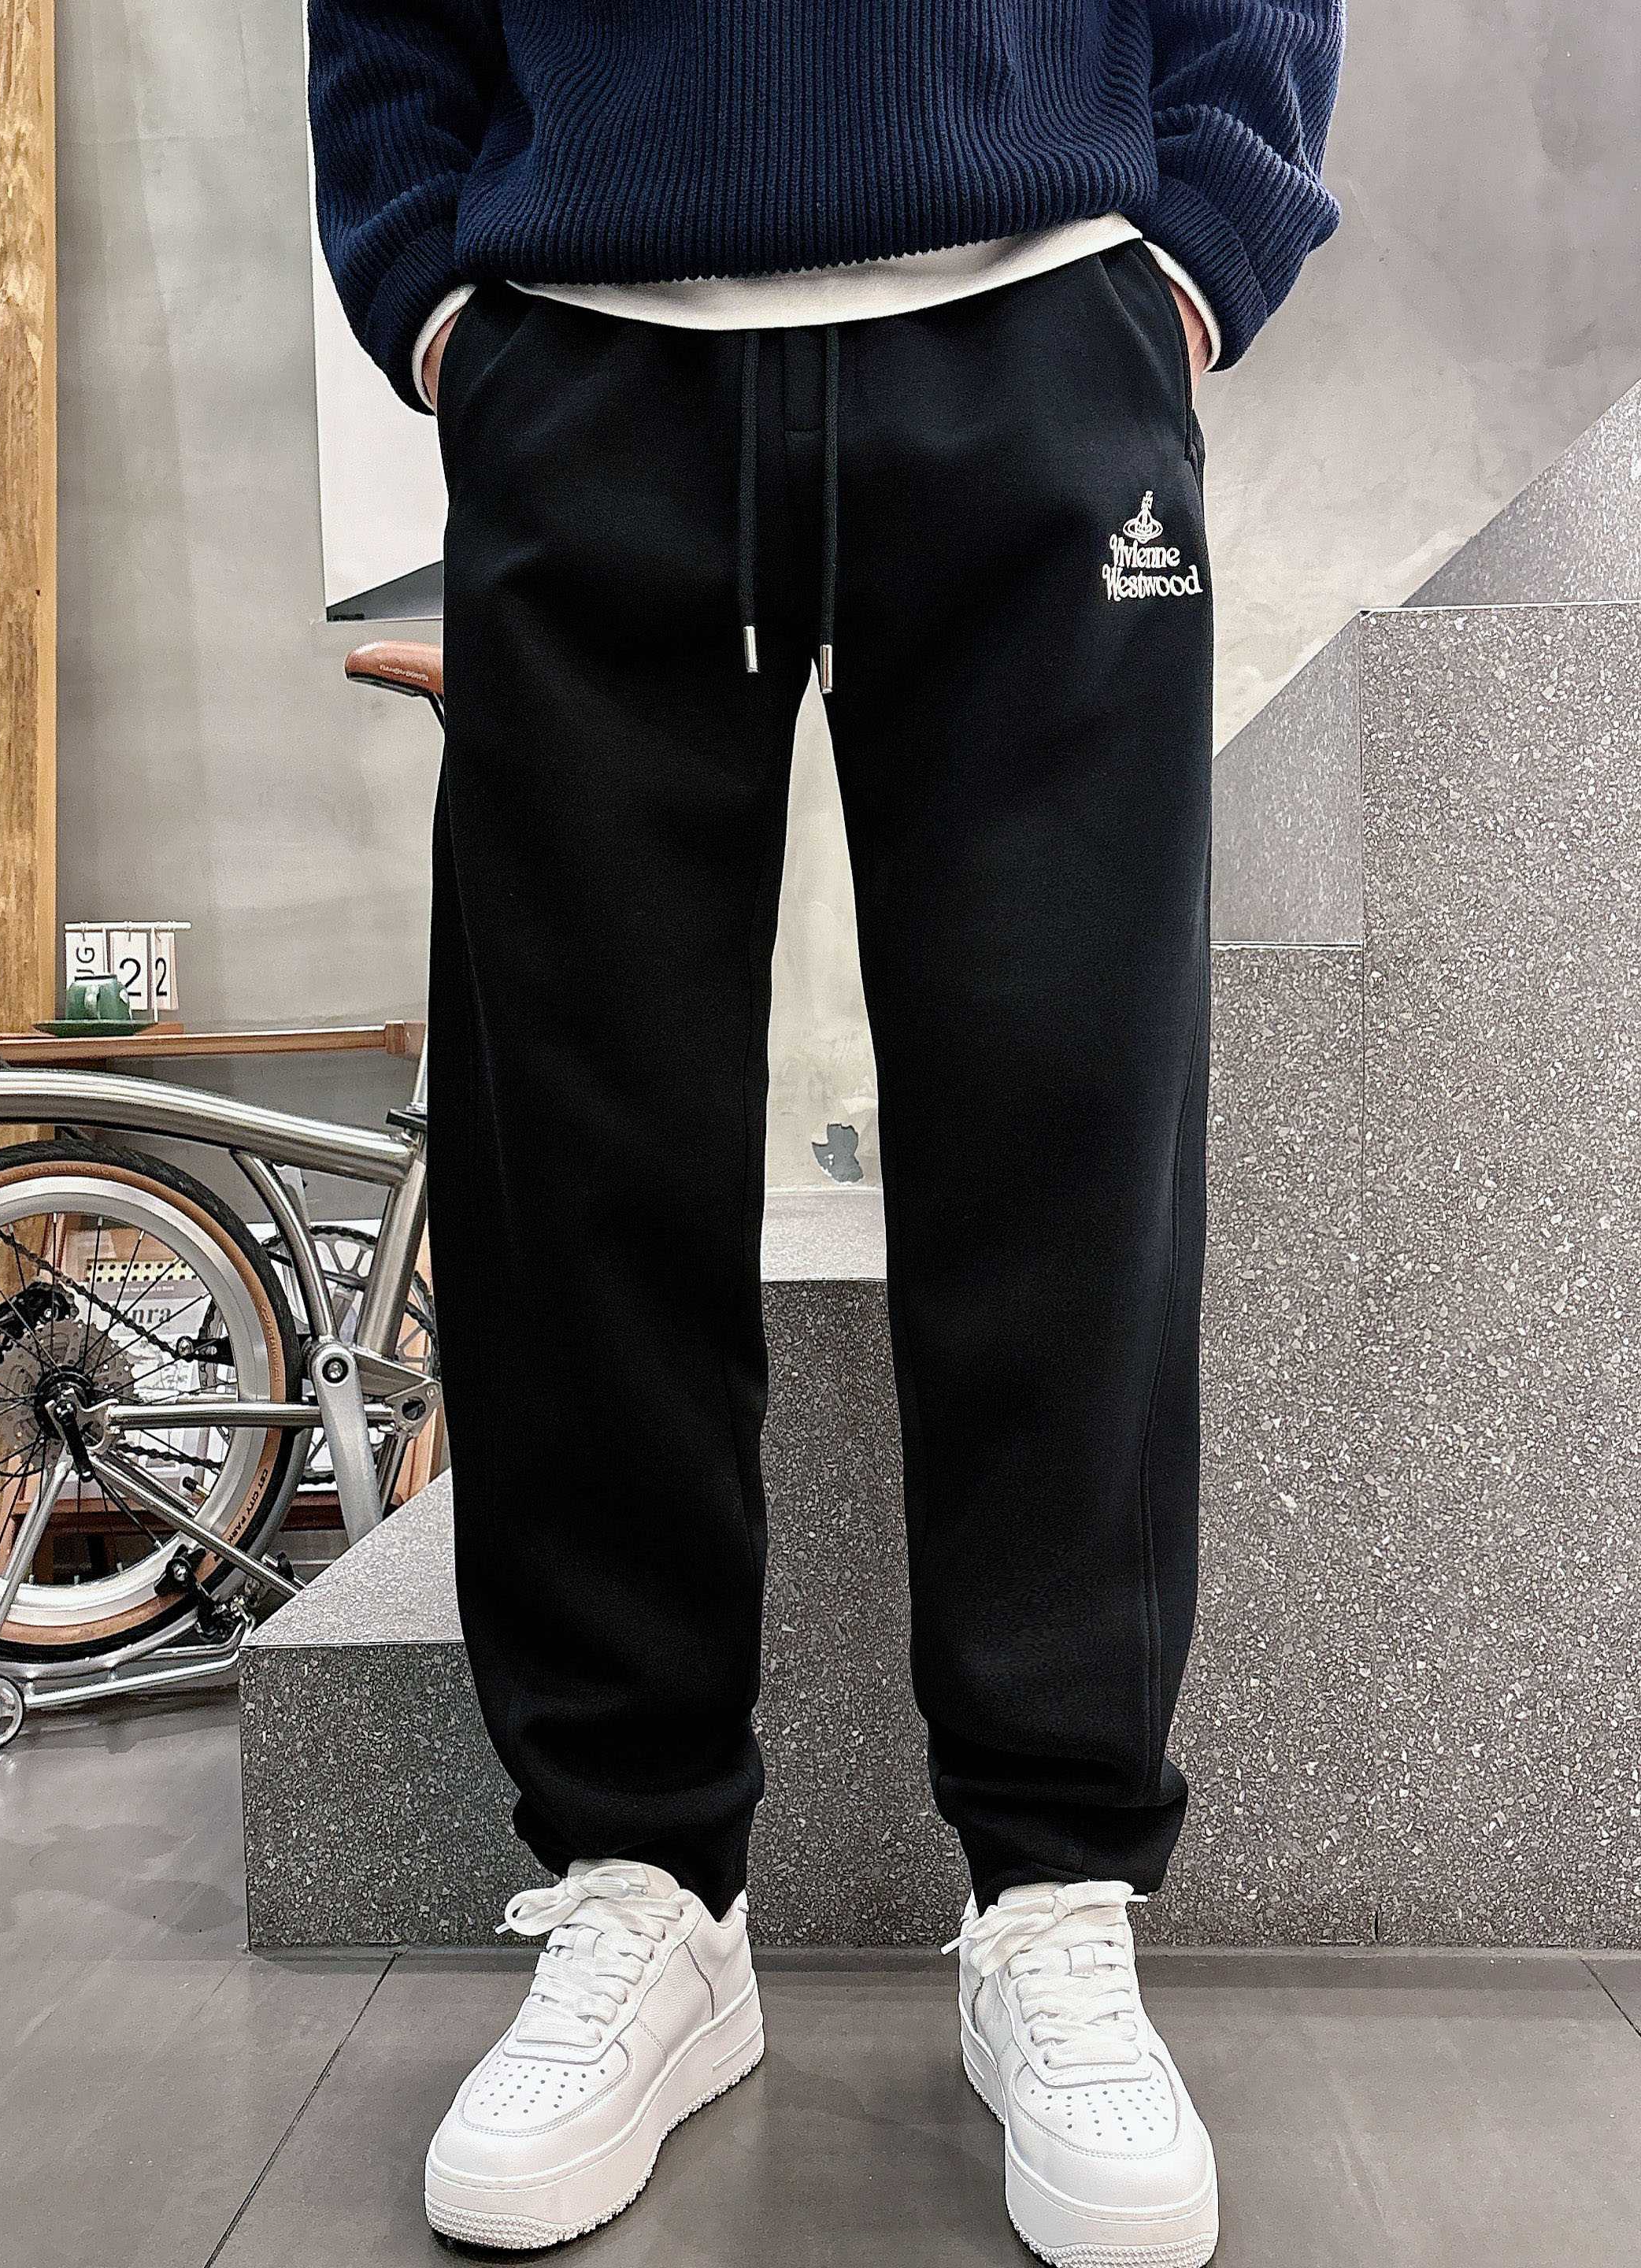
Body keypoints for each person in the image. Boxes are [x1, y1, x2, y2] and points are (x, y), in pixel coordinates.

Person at [309, 3, 1342, 2256]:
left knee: (1063, 1144)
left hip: (1037, 321)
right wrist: (429, 283)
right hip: (588, 354)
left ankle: (1056, 1888)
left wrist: (1205, 233)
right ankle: (643, 1887)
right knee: (579, 1167)